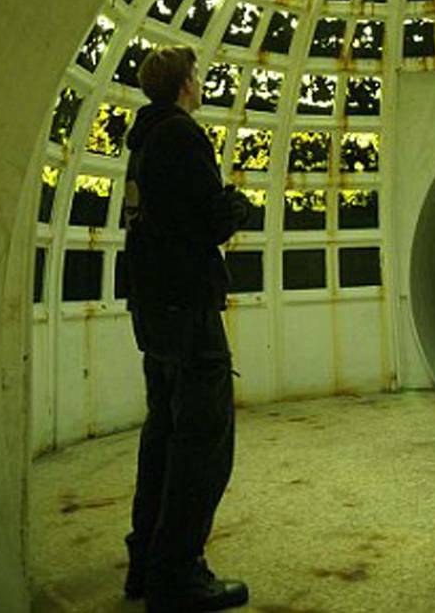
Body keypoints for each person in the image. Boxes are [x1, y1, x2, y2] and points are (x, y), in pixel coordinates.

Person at [122, 44, 251, 613]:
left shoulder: (143, 139)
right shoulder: (181, 134)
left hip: (153, 306)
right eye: (196, 75)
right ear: (183, 83)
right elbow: (211, 221)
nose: (201, 83)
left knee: (164, 434)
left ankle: (146, 565)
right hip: (188, 304)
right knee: (204, 441)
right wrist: (236, 205)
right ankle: (178, 574)